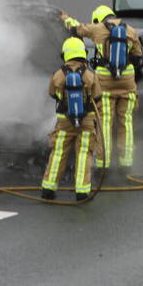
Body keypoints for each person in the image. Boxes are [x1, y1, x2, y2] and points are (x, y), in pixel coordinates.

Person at [60, 5, 143, 169]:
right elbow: (138, 58)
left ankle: (103, 163)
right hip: (127, 81)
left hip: (105, 83)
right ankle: (126, 163)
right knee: (125, 122)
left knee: (105, 123)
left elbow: (76, 28)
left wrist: (65, 18)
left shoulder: (97, 29)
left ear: (98, 19)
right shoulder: (131, 31)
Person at [41, 37, 102, 202]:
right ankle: (81, 191)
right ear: (83, 53)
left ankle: (48, 187)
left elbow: (52, 93)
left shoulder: (58, 75)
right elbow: (97, 97)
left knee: (58, 152)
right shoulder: (90, 75)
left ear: (65, 54)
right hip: (87, 121)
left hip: (64, 121)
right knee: (83, 153)